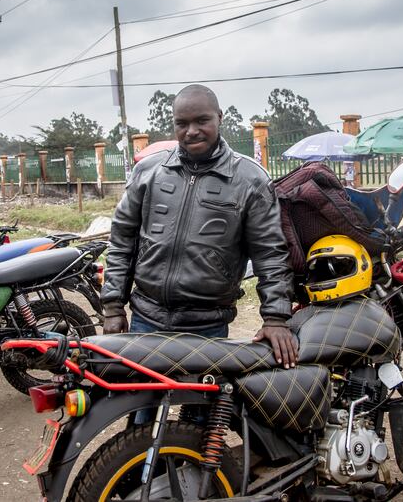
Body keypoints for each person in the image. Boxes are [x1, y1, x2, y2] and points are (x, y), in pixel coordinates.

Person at [101, 84, 298, 370]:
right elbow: (121, 242)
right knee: (139, 407)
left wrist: (276, 319)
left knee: (202, 412)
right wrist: (112, 307)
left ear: (220, 117)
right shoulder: (148, 172)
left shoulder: (250, 179)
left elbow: (270, 254)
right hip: (145, 319)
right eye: (182, 123)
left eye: (201, 121)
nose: (191, 130)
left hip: (208, 327)